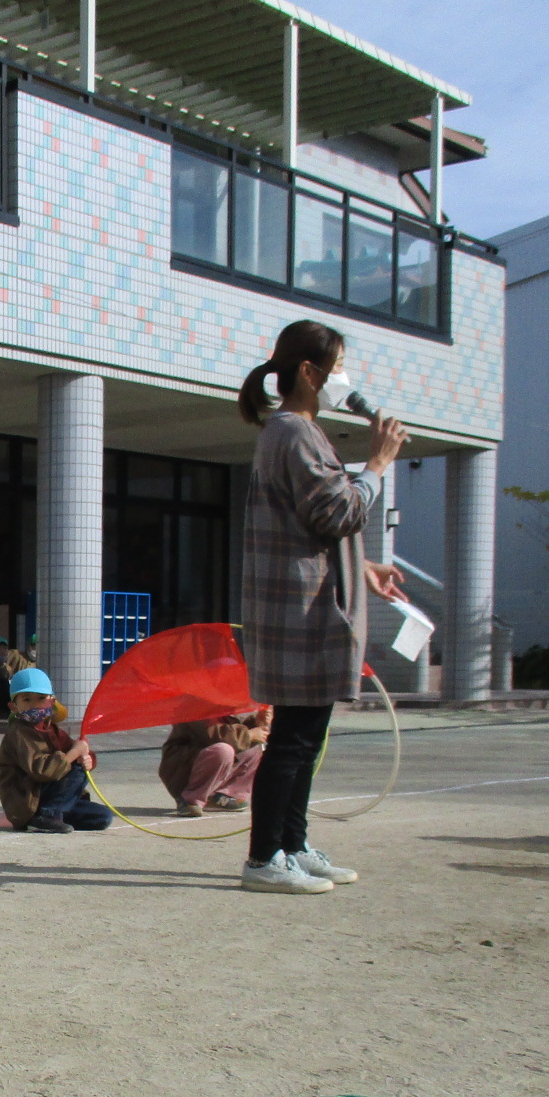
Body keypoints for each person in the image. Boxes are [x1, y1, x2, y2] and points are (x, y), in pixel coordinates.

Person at [236, 320, 408, 895]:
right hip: (300, 614)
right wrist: (377, 464)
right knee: (293, 740)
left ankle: (292, 844)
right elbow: (338, 512)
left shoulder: (289, 432)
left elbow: (307, 525)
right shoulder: (295, 433)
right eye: (337, 368)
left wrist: (363, 566)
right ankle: (264, 857)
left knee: (304, 738)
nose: (344, 379)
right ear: (309, 372)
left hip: (299, 608)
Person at [0, 667, 111, 833]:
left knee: (102, 817)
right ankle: (46, 815)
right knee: (76, 769)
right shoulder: (18, 733)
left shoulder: (53, 730)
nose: (35, 704)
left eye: (41, 698)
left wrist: (86, 758)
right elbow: (40, 770)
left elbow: (74, 749)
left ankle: (56, 814)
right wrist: (75, 754)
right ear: (14, 707)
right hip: (28, 801)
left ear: (52, 701)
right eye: (26, 699)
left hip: (49, 796)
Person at [160, 708, 267, 817]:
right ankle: (190, 800)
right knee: (223, 750)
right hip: (181, 770)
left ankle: (222, 795)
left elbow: (235, 728)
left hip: (206, 765)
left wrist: (256, 721)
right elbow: (216, 736)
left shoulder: (222, 708)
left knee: (253, 748)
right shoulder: (194, 708)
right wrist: (249, 735)